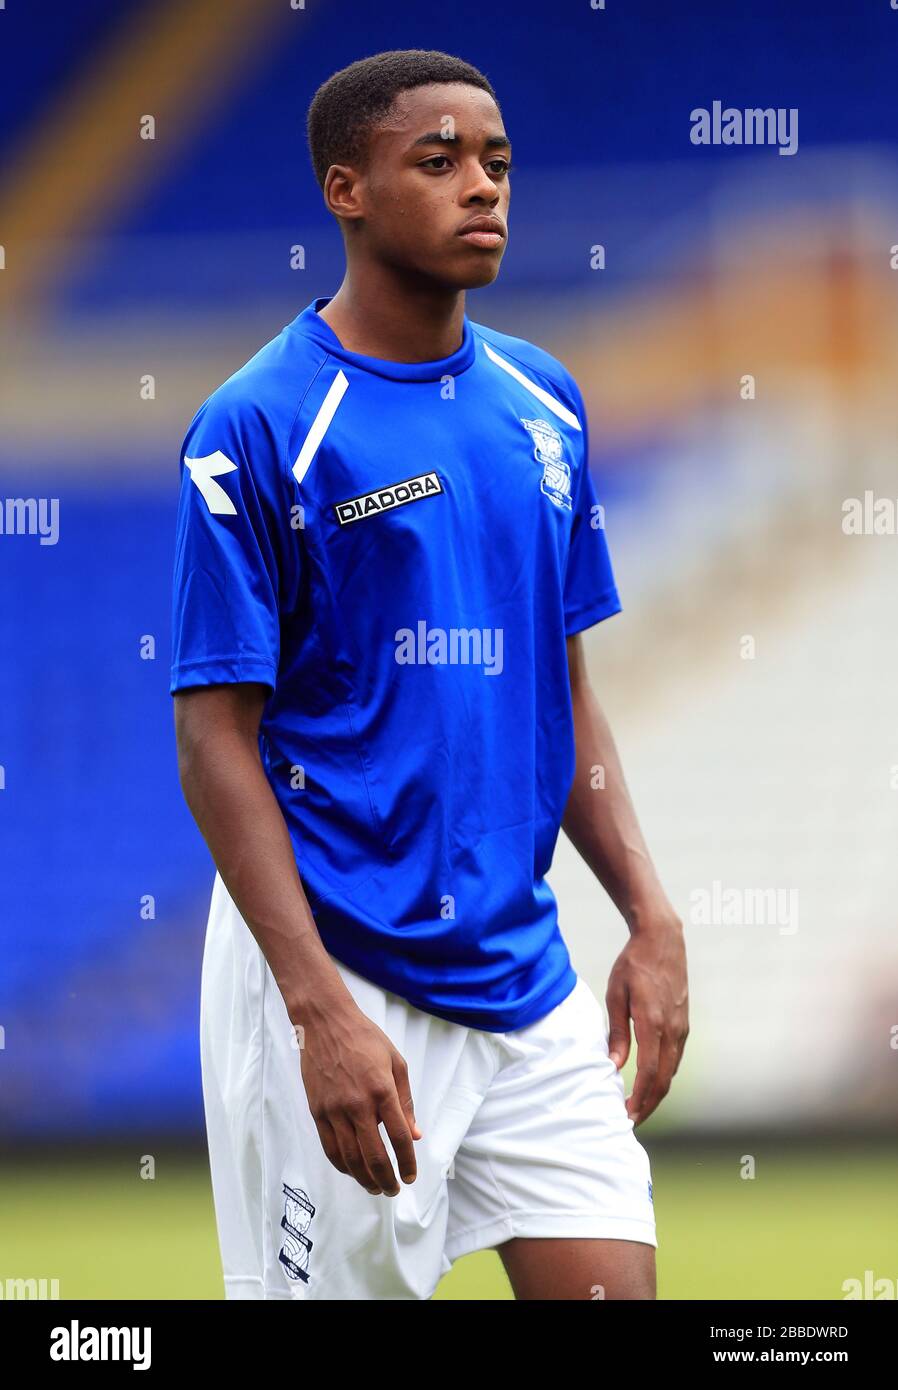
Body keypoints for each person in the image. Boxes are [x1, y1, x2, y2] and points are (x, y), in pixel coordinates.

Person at [171, 48, 688, 1301]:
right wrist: (316, 1013)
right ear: (346, 189)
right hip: (342, 964)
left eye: (498, 162)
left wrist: (650, 913)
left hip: (525, 972)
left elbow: (560, 692)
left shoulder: (544, 402)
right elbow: (213, 742)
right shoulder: (258, 425)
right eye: (440, 160)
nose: (483, 188)